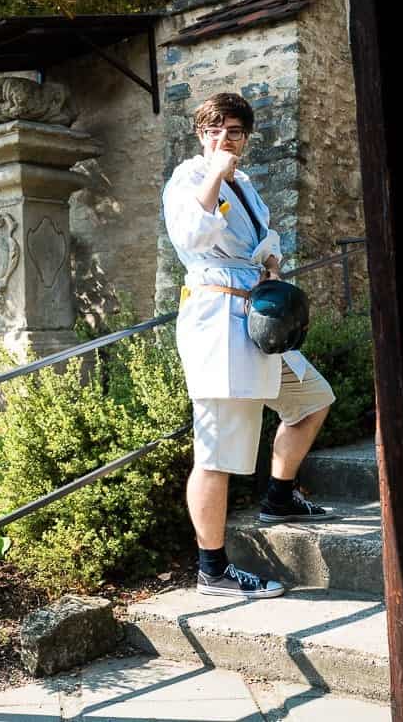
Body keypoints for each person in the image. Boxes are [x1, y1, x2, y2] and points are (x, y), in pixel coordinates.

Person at [162, 91, 337, 599]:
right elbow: (192, 236)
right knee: (216, 452)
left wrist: (273, 262)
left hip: (256, 319)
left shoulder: (248, 184)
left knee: (311, 398)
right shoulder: (188, 180)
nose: (224, 138)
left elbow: (265, 237)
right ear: (202, 133)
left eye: (234, 132)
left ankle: (279, 496)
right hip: (219, 323)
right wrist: (216, 171)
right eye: (214, 129)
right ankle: (211, 570)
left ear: (247, 138)